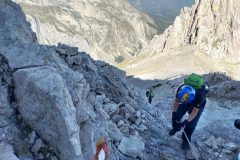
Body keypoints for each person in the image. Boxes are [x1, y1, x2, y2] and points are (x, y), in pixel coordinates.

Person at [169, 74, 209, 149]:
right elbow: (176, 102)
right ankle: (175, 128)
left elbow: (194, 112)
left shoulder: (200, 96)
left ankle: (185, 140)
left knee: (191, 124)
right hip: (185, 100)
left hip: (197, 105)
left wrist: (186, 121)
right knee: (177, 116)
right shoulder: (180, 90)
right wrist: (173, 115)